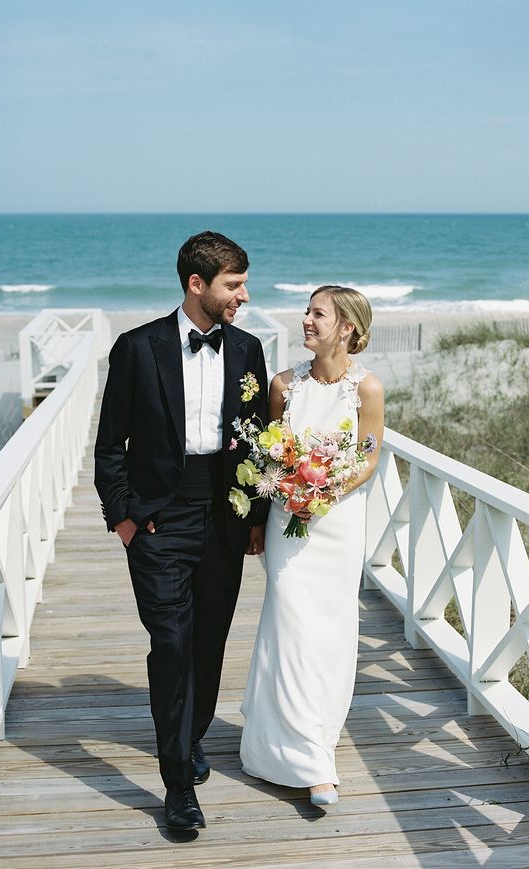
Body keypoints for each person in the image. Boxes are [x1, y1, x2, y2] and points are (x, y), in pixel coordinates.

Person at [94, 231, 268, 832]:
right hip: (157, 520)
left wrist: (255, 519)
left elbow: (257, 442)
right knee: (170, 642)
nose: (244, 295)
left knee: (209, 640)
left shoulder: (247, 349)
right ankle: (176, 789)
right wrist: (123, 518)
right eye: (234, 285)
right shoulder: (137, 348)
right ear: (197, 285)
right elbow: (110, 444)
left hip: (224, 516)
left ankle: (192, 735)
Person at [240, 285, 384, 806]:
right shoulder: (283, 386)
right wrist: (279, 501)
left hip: (338, 526)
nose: (305, 320)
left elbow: (367, 458)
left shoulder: (367, 390)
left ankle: (311, 737)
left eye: (317, 314)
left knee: (330, 632)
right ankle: (311, 764)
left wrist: (325, 490)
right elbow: (270, 451)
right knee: (290, 624)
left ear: (346, 326)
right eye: (306, 311)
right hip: (285, 523)